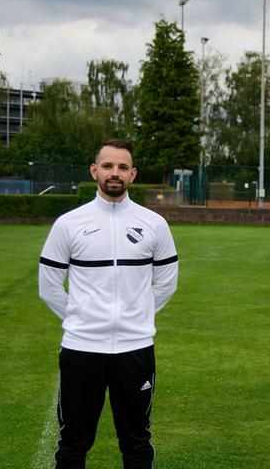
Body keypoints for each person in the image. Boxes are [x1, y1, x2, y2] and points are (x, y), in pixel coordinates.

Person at [38, 139, 179, 469]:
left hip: (135, 348)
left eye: (121, 167)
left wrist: (135, 315)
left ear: (132, 174)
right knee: (73, 443)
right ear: (94, 171)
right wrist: (81, 316)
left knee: (137, 441)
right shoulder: (68, 224)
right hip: (81, 347)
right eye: (107, 166)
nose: (114, 173)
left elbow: (167, 283)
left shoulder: (154, 224)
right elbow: (49, 287)